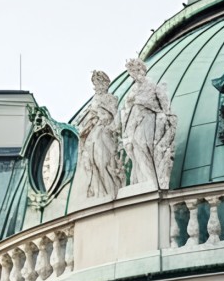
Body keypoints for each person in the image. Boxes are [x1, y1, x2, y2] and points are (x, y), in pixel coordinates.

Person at [119, 58, 178, 191]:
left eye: (136, 70)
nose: (134, 74)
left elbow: (164, 105)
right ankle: (145, 180)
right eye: (131, 72)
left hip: (149, 120)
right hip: (135, 123)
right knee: (136, 146)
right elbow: (127, 109)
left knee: (145, 145)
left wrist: (166, 117)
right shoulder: (133, 89)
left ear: (142, 70)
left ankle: (152, 181)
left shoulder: (151, 85)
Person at [76, 70, 124, 203]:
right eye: (95, 83)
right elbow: (85, 117)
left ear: (105, 84)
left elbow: (114, 115)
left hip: (103, 131)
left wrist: (105, 119)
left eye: (99, 83)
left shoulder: (110, 98)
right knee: (92, 163)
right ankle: (100, 193)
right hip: (93, 131)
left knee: (103, 162)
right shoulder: (94, 99)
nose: (97, 86)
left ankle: (111, 191)